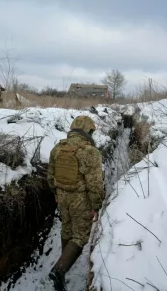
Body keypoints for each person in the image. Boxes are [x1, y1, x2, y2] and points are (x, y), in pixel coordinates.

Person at [47, 115, 104, 291]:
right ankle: (60, 270)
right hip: (81, 200)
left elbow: (50, 176)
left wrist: (56, 193)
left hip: (62, 198)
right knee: (80, 236)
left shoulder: (58, 148)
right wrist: (96, 206)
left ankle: (64, 263)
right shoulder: (90, 152)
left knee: (67, 228)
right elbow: (95, 184)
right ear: (89, 131)